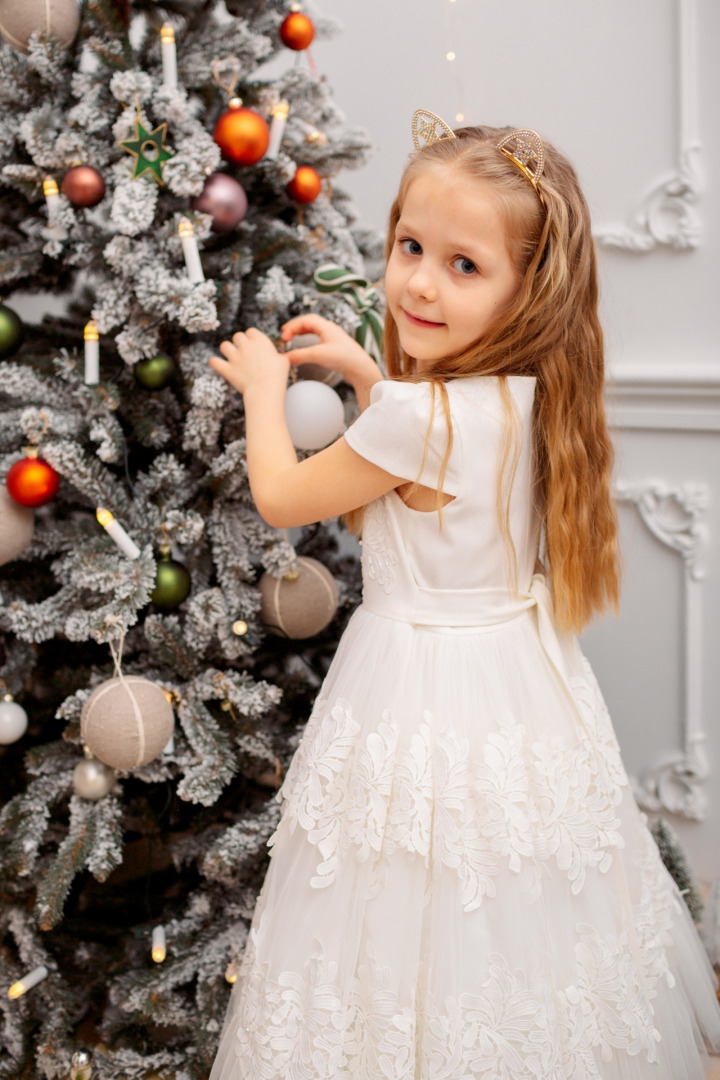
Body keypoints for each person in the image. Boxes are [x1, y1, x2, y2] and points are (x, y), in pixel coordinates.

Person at [207, 112, 720, 1079]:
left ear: (531, 288)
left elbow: (284, 496)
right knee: (506, 907)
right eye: (409, 246)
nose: (419, 283)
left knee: (398, 900)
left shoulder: (420, 418)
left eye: (464, 266)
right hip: (514, 690)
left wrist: (265, 391)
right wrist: (370, 377)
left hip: (416, 689)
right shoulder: (529, 396)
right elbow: (420, 496)